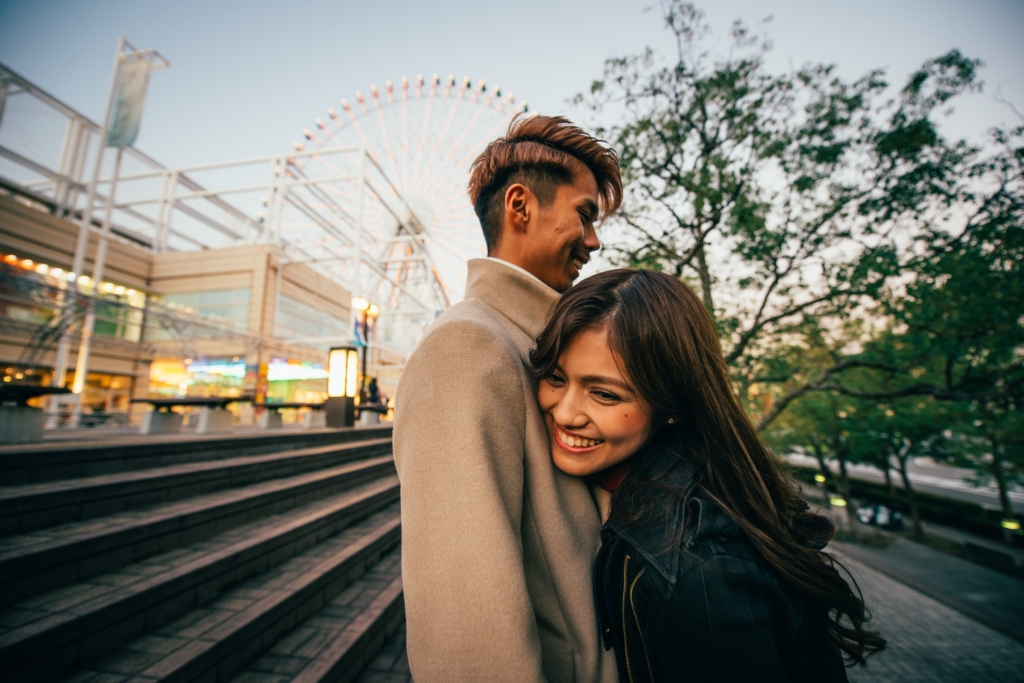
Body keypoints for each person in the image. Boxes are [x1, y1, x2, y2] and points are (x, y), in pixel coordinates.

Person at [530, 269, 886, 682]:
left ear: (673, 405)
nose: (566, 412)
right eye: (556, 377)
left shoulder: (697, 572)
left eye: (605, 394)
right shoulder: (675, 484)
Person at [393, 114, 623, 682]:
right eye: (585, 215)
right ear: (520, 206)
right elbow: (462, 608)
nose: (595, 241)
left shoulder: (531, 341)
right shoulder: (467, 346)